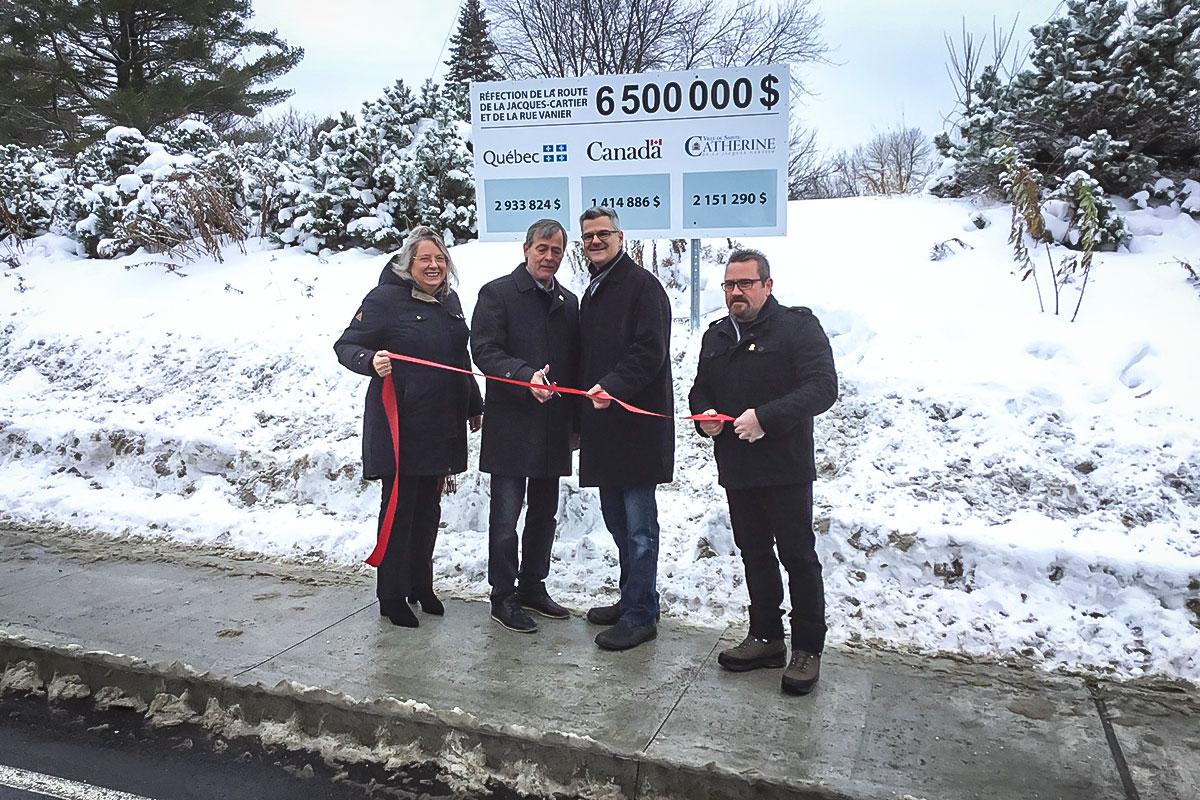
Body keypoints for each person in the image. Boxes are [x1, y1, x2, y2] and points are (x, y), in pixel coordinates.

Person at [688, 248, 838, 695]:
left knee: (797, 556)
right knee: (753, 552)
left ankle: (808, 647)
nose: (736, 292)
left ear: (766, 285)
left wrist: (766, 418)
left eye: (746, 284)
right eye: (730, 285)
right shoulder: (716, 336)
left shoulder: (797, 326)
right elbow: (700, 389)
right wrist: (705, 415)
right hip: (737, 467)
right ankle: (766, 637)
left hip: (785, 466)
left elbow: (822, 387)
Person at [334, 225, 482, 629]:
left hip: (442, 424)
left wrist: (473, 403)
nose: (434, 266)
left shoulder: (449, 301)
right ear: (408, 264)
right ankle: (391, 594)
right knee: (400, 509)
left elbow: (458, 358)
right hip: (401, 423)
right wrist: (370, 361)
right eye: (425, 259)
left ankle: (421, 584)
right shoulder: (384, 299)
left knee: (428, 511)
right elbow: (346, 345)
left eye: (440, 259)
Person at [470, 219, 580, 634]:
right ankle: (503, 596)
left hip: (553, 427)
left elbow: (572, 365)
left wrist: (576, 424)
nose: (549, 257)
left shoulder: (568, 302)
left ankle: (533, 585)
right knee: (505, 518)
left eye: (556, 251)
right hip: (511, 426)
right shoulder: (497, 294)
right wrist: (523, 376)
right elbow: (484, 350)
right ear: (526, 249)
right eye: (542, 249)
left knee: (544, 515)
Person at [577, 207, 673, 651]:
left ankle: (640, 616)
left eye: (603, 234)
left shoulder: (642, 288)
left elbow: (648, 352)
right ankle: (634, 598)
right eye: (589, 236)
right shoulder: (593, 290)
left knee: (638, 530)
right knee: (618, 526)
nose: (595, 241)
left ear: (620, 237)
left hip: (635, 429)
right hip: (603, 429)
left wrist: (612, 388)